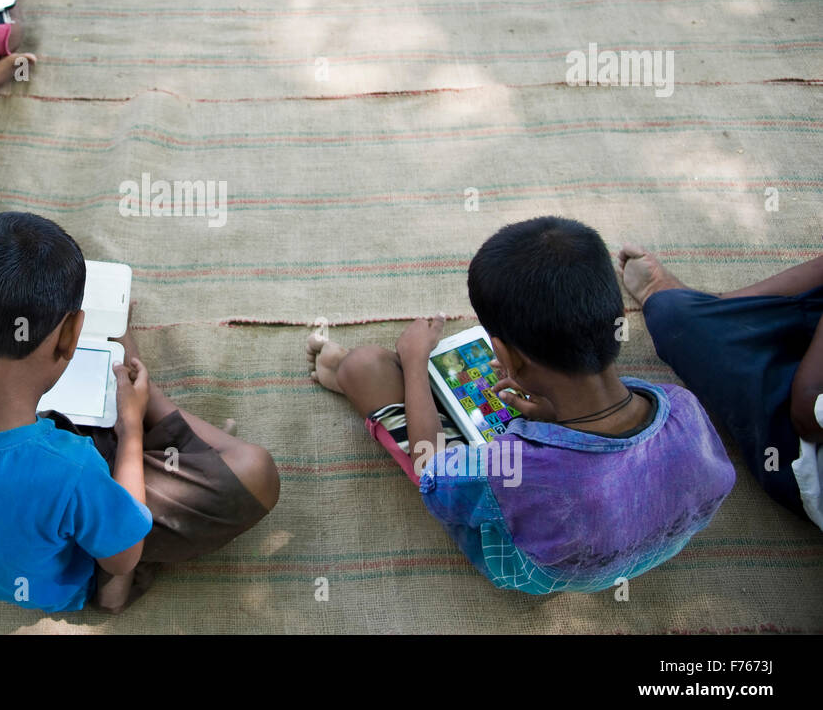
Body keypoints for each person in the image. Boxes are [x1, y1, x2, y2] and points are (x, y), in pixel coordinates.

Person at [0, 211, 280, 612]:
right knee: (256, 471)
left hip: (24, 501)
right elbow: (123, 557)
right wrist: (132, 428)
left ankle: (122, 374)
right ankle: (141, 393)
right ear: (71, 336)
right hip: (69, 566)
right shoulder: (73, 468)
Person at [305, 216, 736, 593]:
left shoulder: (508, 467)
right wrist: (554, 419)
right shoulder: (682, 406)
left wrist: (416, 362)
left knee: (365, 367)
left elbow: (431, 469)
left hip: (535, 572)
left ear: (508, 358)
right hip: (644, 542)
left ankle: (354, 377)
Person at [620, 246, 823, 530]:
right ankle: (720, 306)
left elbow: (807, 414)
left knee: (673, 317)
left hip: (797, 447)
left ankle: (706, 309)